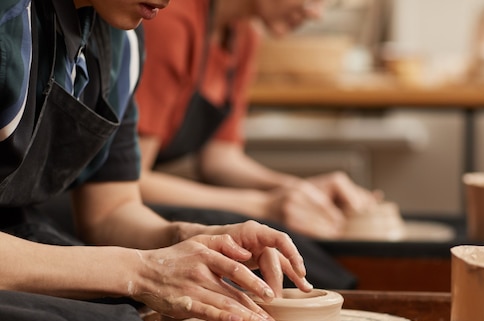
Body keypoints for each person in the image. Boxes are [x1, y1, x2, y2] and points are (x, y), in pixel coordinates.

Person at [0, 0, 312, 321]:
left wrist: (192, 240)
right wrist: (143, 270)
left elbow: (110, 210)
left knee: (150, 318)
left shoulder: (121, 41)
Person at [135, 0, 381, 241]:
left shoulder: (243, 35)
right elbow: (132, 181)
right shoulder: (169, 19)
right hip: (126, 213)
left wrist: (299, 190)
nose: (317, 13)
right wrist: (264, 205)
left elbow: (220, 160)